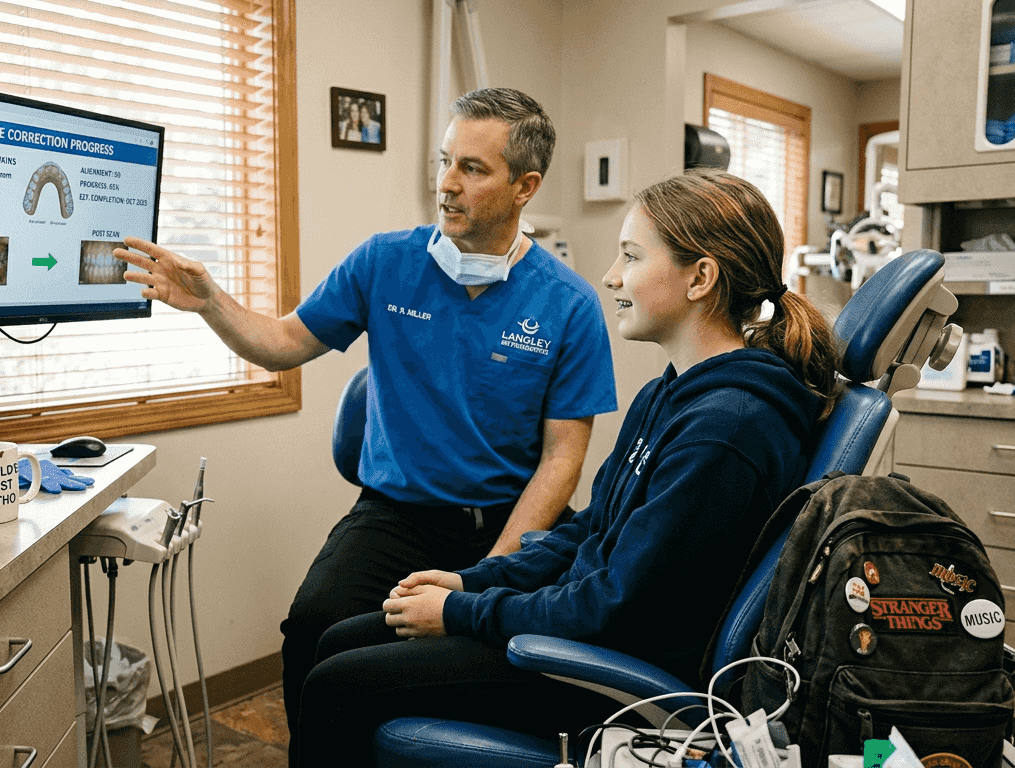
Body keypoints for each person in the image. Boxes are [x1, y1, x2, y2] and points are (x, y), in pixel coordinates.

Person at [114, 87, 617, 760]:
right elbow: (283, 341)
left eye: (472, 168)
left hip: (509, 523)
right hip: (395, 514)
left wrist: (485, 581)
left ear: (526, 186)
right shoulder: (387, 262)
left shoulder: (568, 304)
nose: (446, 183)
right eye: (444, 161)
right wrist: (209, 302)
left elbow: (561, 461)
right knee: (314, 628)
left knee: (463, 650)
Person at [293, 168, 843, 767]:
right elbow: (588, 530)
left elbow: (616, 607)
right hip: (583, 624)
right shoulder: (674, 392)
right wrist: (474, 581)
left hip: (609, 670)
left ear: (700, 278)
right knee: (337, 638)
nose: (611, 276)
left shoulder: (727, 429)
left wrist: (462, 612)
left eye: (631, 257)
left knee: (336, 685)